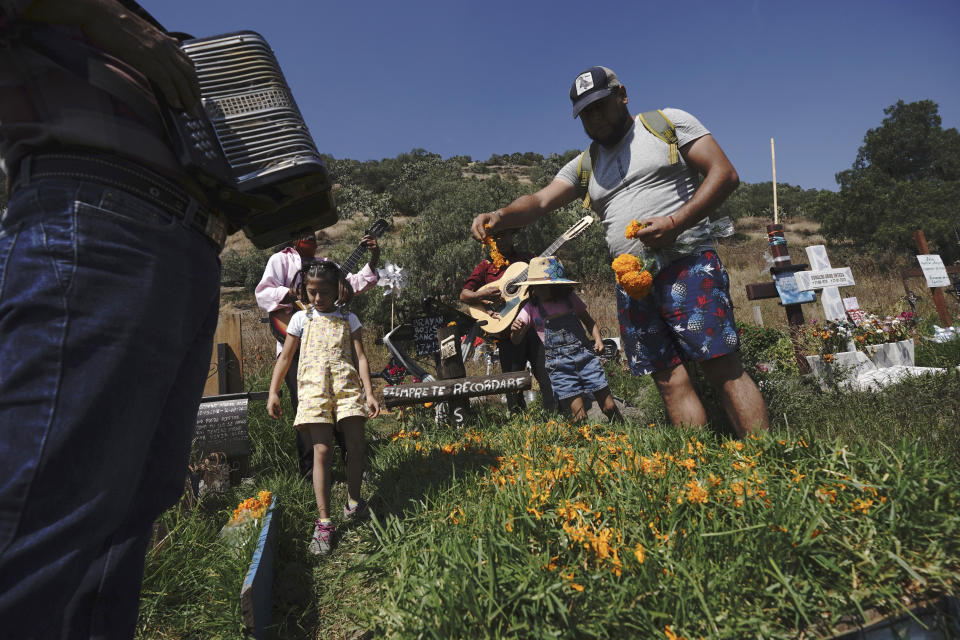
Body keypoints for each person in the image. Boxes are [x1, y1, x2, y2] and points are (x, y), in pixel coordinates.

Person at [0, 0, 224, 637]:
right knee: (45, 502)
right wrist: (106, 19)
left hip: (182, 244)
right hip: (91, 220)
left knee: (132, 504)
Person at [470, 66, 769, 437]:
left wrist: (675, 222)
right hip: (631, 283)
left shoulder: (666, 124)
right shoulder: (586, 163)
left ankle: (763, 457)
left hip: (687, 265)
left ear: (622, 94)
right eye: (585, 113)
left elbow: (724, 174)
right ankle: (700, 463)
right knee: (667, 378)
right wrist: (499, 216)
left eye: (600, 106)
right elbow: (539, 200)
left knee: (721, 365)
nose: (594, 119)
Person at [266, 261, 380, 554]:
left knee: (355, 446)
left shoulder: (349, 318)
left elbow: (362, 357)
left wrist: (369, 393)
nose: (317, 298)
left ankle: (353, 502)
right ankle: (324, 521)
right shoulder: (301, 320)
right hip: (314, 390)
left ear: (338, 289)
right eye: (312, 292)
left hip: (347, 388)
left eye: (324, 292)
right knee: (322, 451)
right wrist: (274, 391)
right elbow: (285, 358)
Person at [255, 231, 379, 478]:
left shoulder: (327, 266)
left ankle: (352, 466)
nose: (311, 236)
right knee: (305, 408)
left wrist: (374, 258)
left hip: (333, 350)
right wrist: (291, 293)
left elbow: (351, 283)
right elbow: (263, 294)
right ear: (294, 236)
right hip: (296, 347)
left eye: (313, 233)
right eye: (305, 233)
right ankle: (311, 472)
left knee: (342, 404)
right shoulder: (280, 260)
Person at [510, 256, 622, 423]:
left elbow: (589, 321)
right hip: (560, 366)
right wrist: (515, 331)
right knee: (580, 415)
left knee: (609, 406)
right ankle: (583, 442)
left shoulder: (570, 299)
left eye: (542, 286)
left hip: (586, 359)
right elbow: (516, 341)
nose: (537, 290)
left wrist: (598, 340)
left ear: (556, 286)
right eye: (534, 286)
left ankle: (622, 431)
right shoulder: (530, 308)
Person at [459, 227, 556, 414]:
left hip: (534, 327)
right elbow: (464, 295)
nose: (501, 240)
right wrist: (482, 294)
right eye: (496, 237)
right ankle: (518, 419)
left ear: (513, 236)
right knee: (512, 380)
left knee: (545, 373)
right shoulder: (486, 266)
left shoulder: (527, 259)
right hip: (506, 330)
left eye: (505, 234)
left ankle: (555, 415)